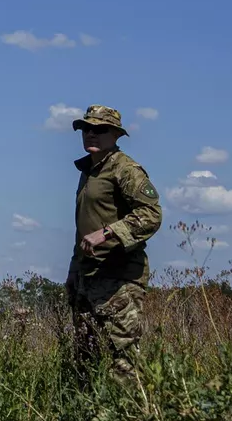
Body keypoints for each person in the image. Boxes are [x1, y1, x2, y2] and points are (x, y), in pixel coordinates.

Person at [64, 105, 162, 379]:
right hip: (89, 277)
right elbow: (84, 226)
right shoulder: (89, 171)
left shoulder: (125, 169)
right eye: (86, 129)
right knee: (86, 357)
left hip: (119, 279)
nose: (90, 134)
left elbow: (151, 214)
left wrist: (108, 233)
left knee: (124, 358)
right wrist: (74, 269)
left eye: (99, 129)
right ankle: (90, 416)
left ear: (116, 135)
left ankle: (133, 417)